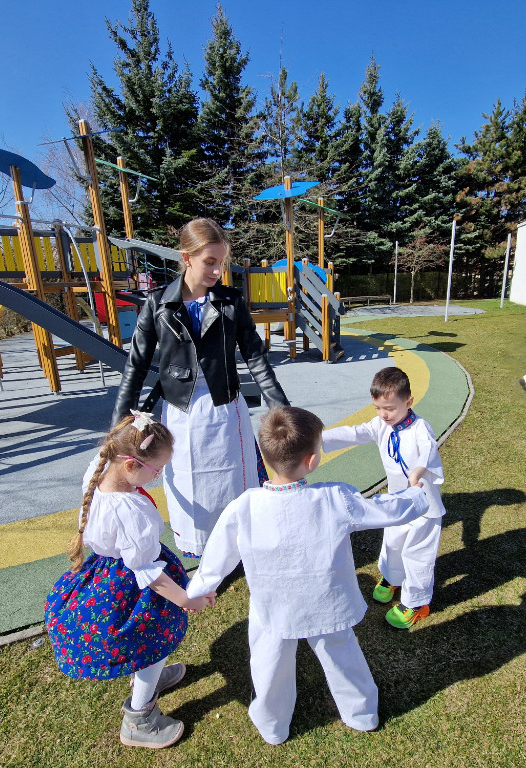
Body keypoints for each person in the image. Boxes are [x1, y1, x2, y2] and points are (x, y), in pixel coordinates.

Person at [186, 406, 436, 745]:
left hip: (273, 607)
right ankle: (362, 714)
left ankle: (273, 726)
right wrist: (417, 493)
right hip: (328, 604)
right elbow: (387, 510)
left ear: (265, 455)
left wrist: (198, 589)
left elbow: (216, 557)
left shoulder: (244, 506)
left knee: (269, 664)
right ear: (313, 460)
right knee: (342, 656)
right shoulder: (335, 497)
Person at [112, 218, 289, 558]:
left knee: (232, 478)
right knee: (189, 480)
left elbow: (255, 356)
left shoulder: (231, 301)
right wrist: (120, 424)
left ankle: (240, 546)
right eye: (210, 262)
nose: (217, 271)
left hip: (225, 408)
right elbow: (135, 366)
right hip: (181, 412)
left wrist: (281, 409)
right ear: (186, 258)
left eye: (221, 262)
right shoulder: (157, 304)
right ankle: (204, 551)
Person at [44, 412, 215, 750]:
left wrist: (133, 429)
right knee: (151, 641)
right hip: (132, 586)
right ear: (131, 465)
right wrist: (186, 598)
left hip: (105, 574)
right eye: (157, 470)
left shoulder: (100, 471)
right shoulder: (130, 512)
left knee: (149, 641)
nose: (158, 476)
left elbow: (111, 447)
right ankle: (139, 718)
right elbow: (147, 572)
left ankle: (149, 679)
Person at [320, 367, 445, 629]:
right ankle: (392, 578)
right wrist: (318, 439)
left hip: (424, 506)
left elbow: (428, 450)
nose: (383, 414)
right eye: (378, 408)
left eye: (389, 408)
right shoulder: (381, 425)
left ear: (408, 402)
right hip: (397, 501)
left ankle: (416, 602)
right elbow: (355, 433)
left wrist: (418, 472)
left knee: (417, 554)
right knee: (393, 543)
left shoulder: (420, 428)